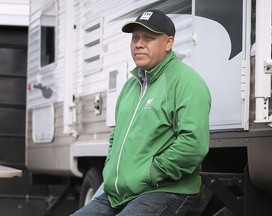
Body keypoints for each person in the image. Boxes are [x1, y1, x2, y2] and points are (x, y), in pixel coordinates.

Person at [72, 9, 211, 216]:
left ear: (168, 43)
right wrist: (111, 171)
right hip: (119, 194)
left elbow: (193, 144)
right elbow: (116, 137)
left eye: (148, 38)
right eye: (135, 38)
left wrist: (150, 173)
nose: (139, 44)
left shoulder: (186, 82)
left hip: (164, 190)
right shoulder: (131, 85)